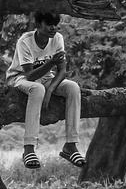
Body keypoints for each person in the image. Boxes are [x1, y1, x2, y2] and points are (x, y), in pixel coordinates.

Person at [6, 11, 85, 169]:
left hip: (46, 79)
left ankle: (70, 145)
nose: (53, 28)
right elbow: (29, 76)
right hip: (19, 78)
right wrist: (50, 64)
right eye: (49, 24)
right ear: (38, 25)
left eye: (56, 24)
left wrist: (50, 91)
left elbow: (62, 71)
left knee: (73, 87)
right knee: (37, 89)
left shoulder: (57, 38)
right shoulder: (25, 41)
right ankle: (29, 148)